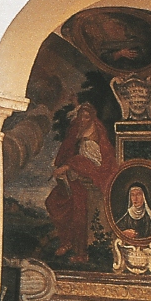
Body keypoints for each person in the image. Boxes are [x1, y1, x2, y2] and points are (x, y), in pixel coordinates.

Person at [45, 102, 115, 264]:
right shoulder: (78, 130)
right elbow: (70, 151)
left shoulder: (97, 132)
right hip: (74, 177)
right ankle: (67, 241)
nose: (83, 119)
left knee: (79, 213)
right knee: (54, 202)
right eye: (81, 116)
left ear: (92, 117)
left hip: (89, 179)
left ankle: (81, 253)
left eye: (86, 116)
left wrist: (70, 165)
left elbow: (95, 162)